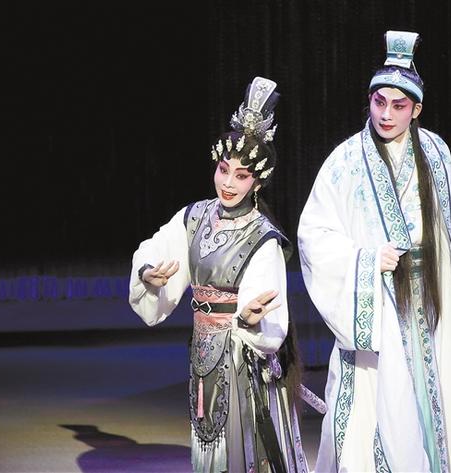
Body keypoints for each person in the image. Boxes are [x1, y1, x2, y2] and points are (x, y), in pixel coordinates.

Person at [297, 31, 451, 472]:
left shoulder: (436, 152)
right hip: (380, 301)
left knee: (440, 405)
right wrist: (367, 261)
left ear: (416, 109)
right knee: (379, 412)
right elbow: (314, 233)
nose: (386, 114)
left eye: (398, 105)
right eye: (378, 102)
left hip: (433, 297)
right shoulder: (346, 160)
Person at [129, 76, 309, 473]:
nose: (228, 182)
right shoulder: (194, 216)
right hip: (202, 352)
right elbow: (153, 249)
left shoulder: (263, 238)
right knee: (208, 443)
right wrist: (147, 274)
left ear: (257, 181)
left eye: (241, 175)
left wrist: (250, 321)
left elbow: (269, 316)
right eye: (224, 169)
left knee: (245, 449)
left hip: (244, 361)